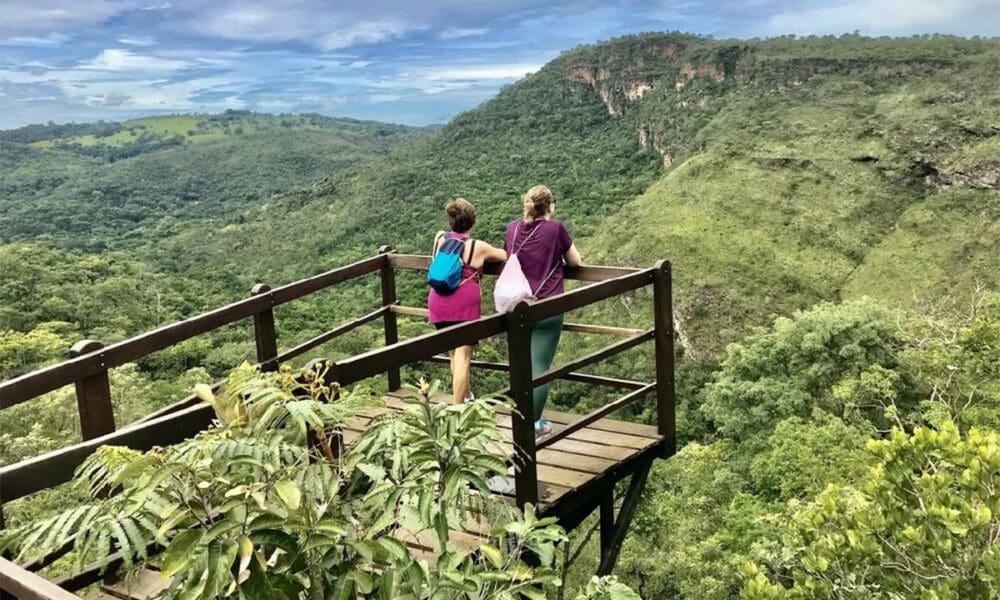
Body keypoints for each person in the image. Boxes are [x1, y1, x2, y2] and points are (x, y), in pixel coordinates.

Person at [504, 185, 581, 436]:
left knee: (521, 365)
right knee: (539, 367)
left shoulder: (512, 229)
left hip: (516, 307)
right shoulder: (555, 229)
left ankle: (522, 416)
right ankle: (531, 425)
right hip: (547, 306)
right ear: (549, 206)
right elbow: (575, 262)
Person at [428, 198, 507, 404]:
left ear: (450, 220)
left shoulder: (439, 238)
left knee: (454, 354)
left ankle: (466, 398)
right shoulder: (476, 247)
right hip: (463, 305)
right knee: (463, 356)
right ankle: (457, 410)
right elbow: (503, 255)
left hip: (438, 301)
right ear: (473, 222)